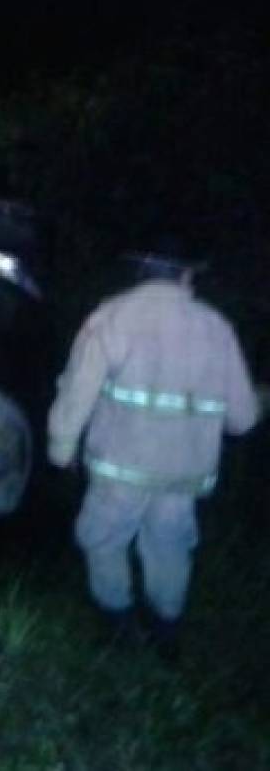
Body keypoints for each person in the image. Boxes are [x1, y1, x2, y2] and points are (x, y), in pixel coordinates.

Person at [47, 240, 259, 654]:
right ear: (186, 275)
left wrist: (62, 447)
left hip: (119, 467)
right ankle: (166, 630)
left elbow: (77, 392)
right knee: (170, 546)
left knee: (103, 539)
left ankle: (119, 626)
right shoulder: (216, 327)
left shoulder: (110, 318)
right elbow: (244, 418)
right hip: (185, 473)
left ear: (139, 274)